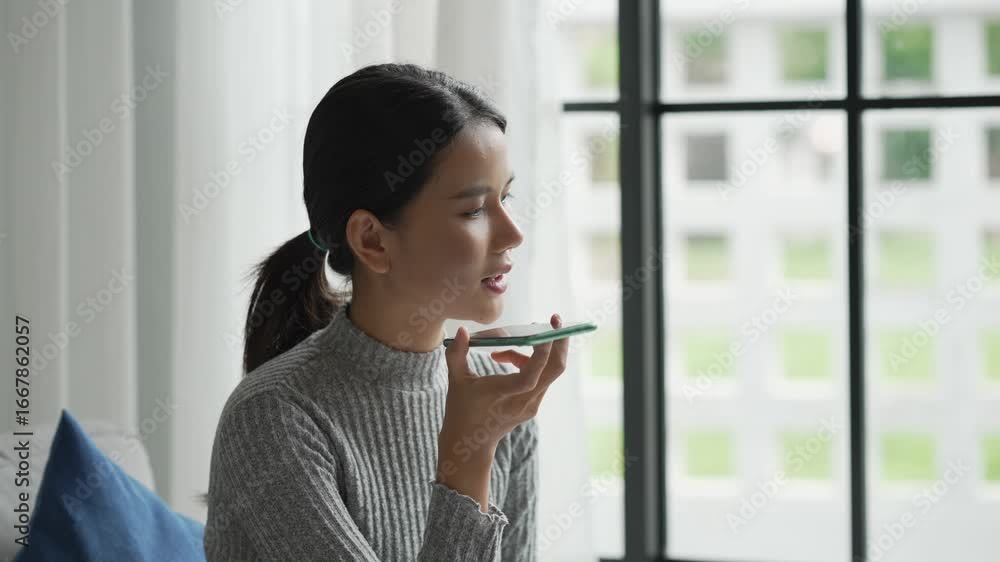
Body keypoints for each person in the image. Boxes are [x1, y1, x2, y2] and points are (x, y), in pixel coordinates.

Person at [202, 62, 569, 561]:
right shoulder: (272, 419)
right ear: (372, 240)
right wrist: (469, 453)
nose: (513, 233)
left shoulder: (496, 398)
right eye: (474, 210)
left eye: (506, 197)